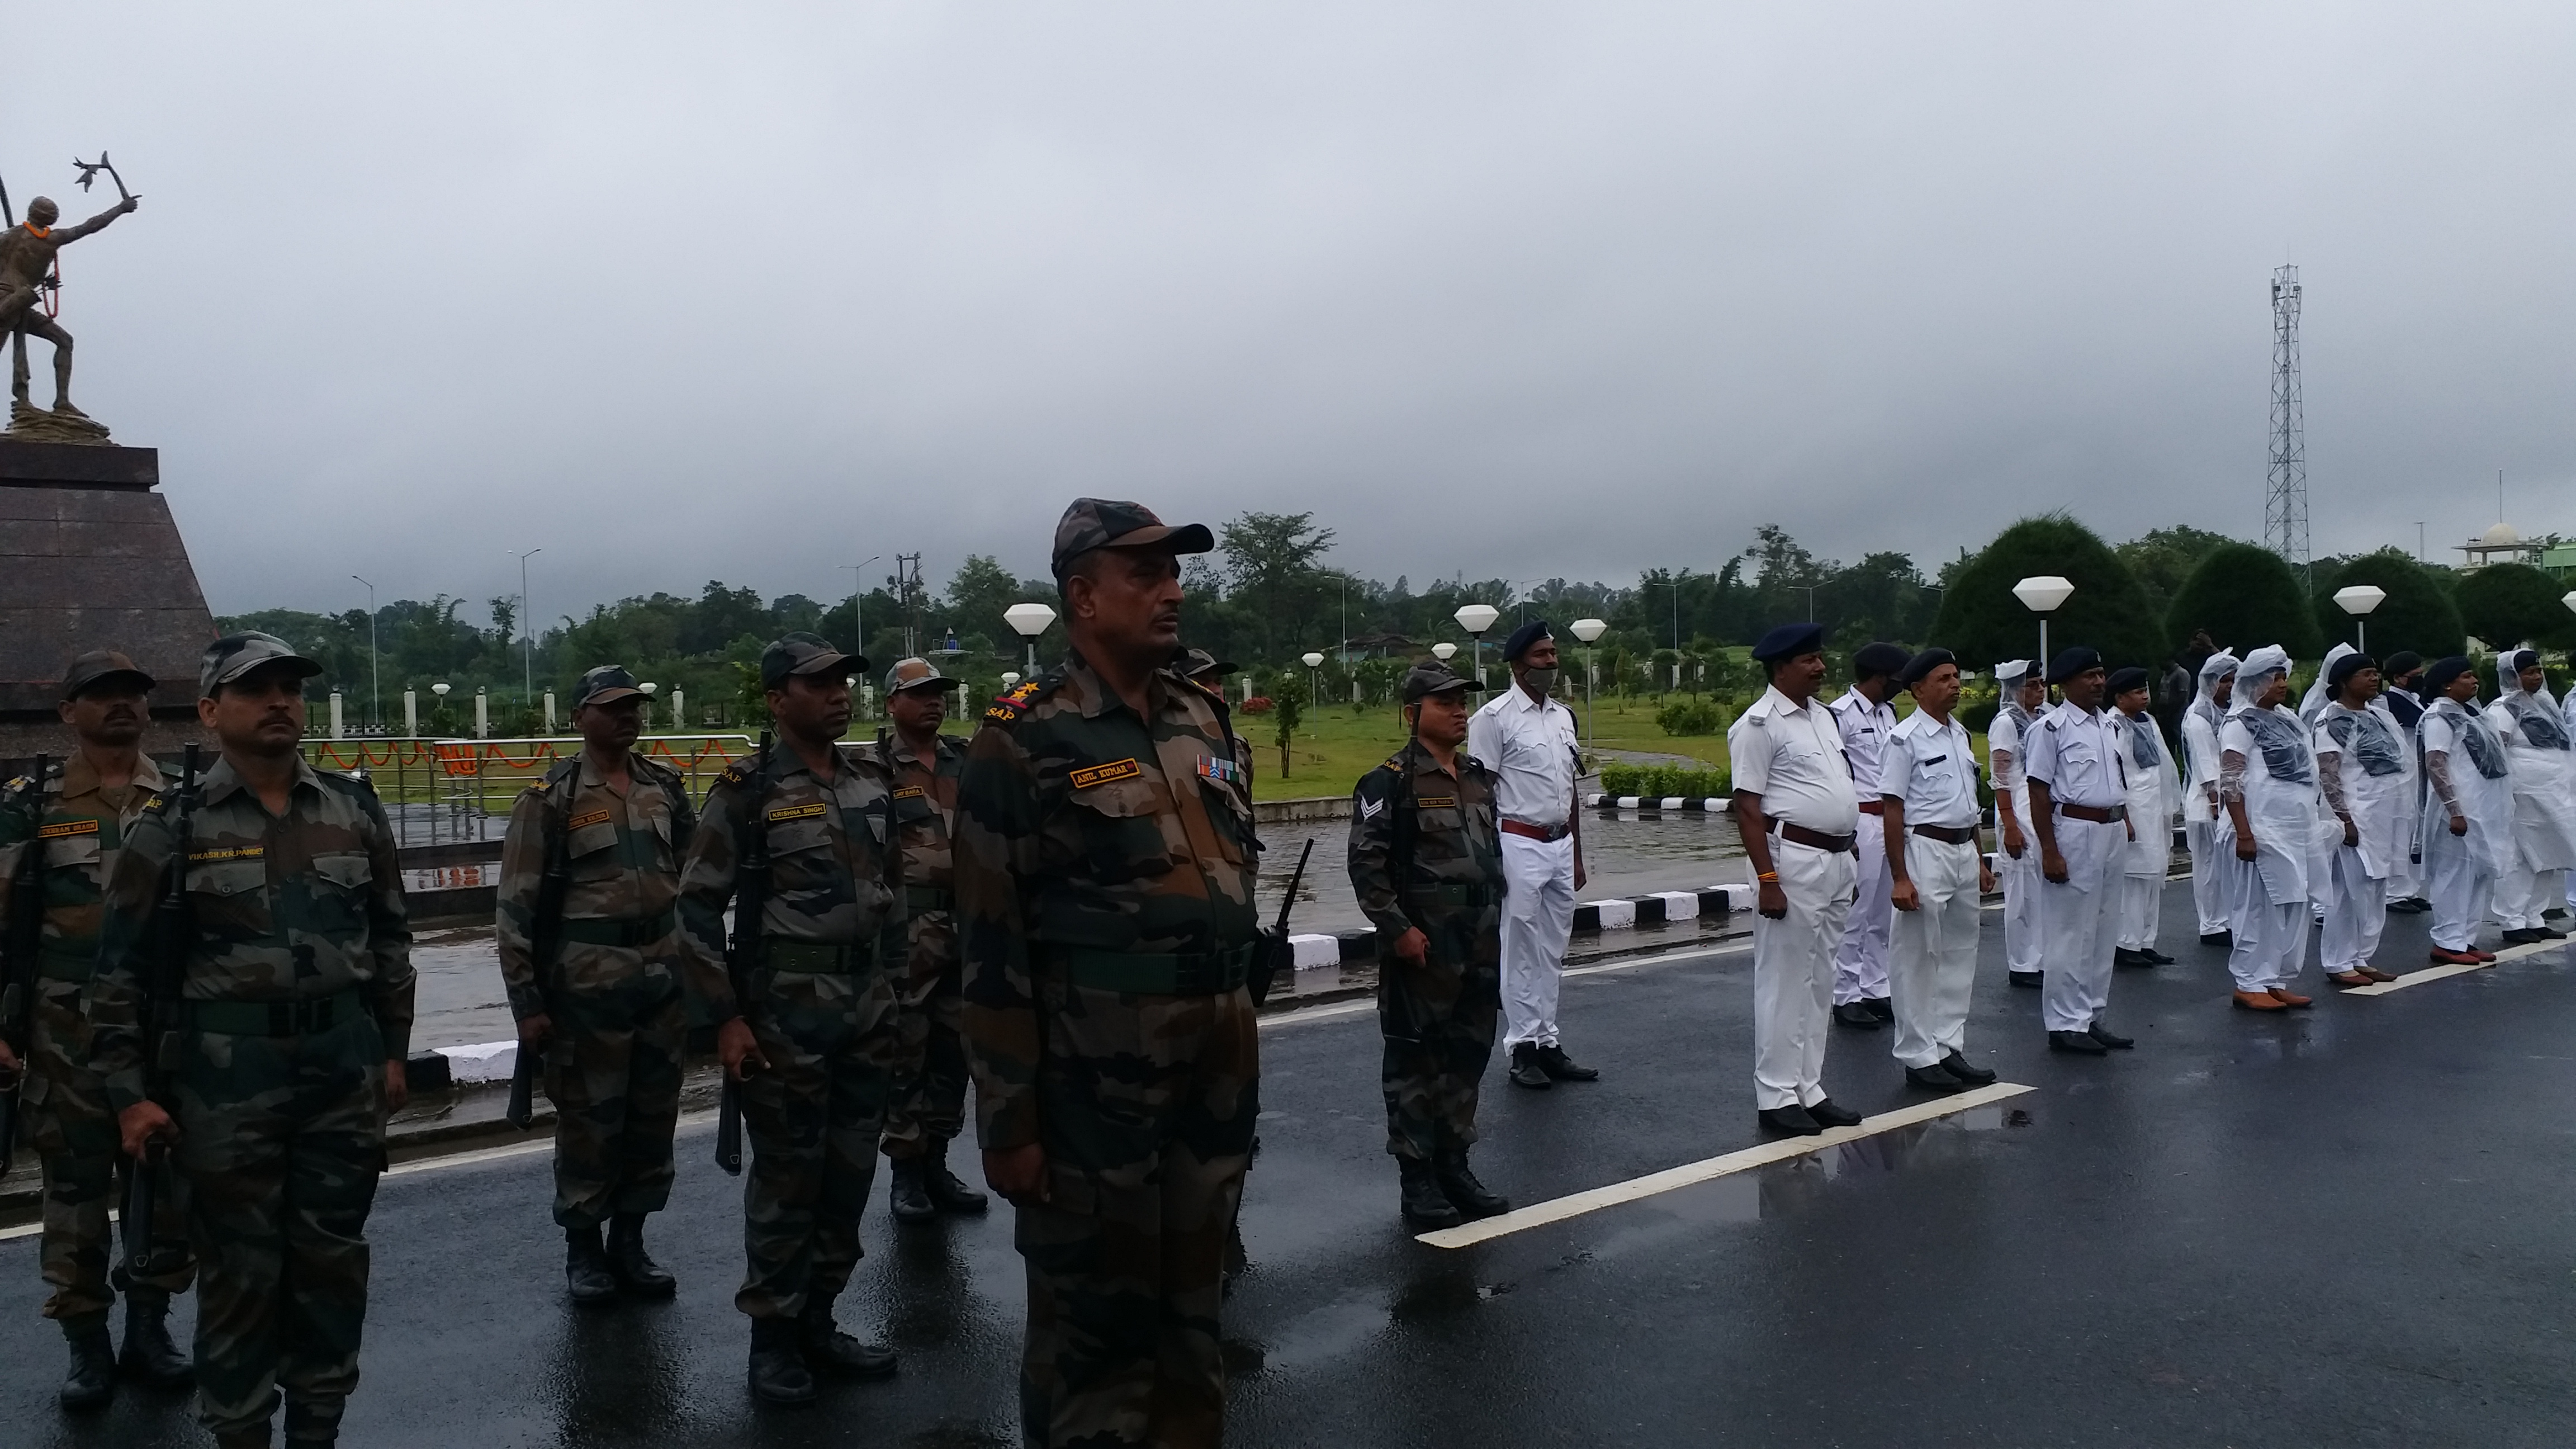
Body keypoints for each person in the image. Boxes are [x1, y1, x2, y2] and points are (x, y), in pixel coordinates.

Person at [953, 499, 1261, 1449]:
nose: (1171, 591)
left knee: (1193, 1318)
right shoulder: (1024, 738)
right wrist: (1008, 1124)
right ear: (1083, 595)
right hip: (1093, 1086)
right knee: (1096, 1335)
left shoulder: (1198, 716)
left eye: (1175, 571)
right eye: (1146, 572)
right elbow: (990, 945)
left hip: (1209, 1074)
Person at [89, 633, 415, 1449]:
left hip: (340, 1075)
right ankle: (240, 1432)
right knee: (240, 1276)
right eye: (256, 688)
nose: (280, 701)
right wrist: (130, 1098)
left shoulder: (352, 809)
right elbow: (117, 977)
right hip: (222, 1086)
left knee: (333, 1265)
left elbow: (389, 940)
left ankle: (317, 1430)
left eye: (290, 688)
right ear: (209, 710)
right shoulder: (171, 828)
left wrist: (392, 1051)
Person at [678, 632, 903, 1405]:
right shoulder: (745, 790)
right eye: (820, 683)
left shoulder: (871, 781)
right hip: (786, 1018)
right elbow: (696, 910)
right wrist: (727, 1020)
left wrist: (897, 988)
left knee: (850, 1175)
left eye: (844, 680)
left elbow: (892, 894)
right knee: (789, 1183)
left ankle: (820, 1320)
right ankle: (772, 1338)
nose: (841, 692)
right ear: (778, 701)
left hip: (868, 1011)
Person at [0, 652, 195, 1409]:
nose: (120, 706)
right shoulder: (30, 803)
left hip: (161, 1031)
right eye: (101, 696)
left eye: (132, 695)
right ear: (67, 712)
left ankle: (151, 1329)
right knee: (76, 1199)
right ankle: (86, 1346)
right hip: (63, 1034)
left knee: (163, 1188)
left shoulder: (183, 799)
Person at [495, 664, 697, 1304]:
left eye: (634, 705)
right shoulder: (549, 800)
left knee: (651, 1116)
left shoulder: (665, 787)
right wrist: (527, 1005)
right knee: (588, 1121)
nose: (627, 716)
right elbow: (515, 912)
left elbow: (694, 881)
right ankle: (584, 1248)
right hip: (586, 988)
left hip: (660, 982)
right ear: (581, 716)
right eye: (612, 707)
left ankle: (630, 1242)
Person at [1347, 661, 1510, 1228]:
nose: (1460, 709)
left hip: (1481, 940)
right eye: (1445, 702)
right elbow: (1367, 867)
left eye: (1463, 700)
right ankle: (1417, 1182)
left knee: (1467, 1057)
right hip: (1424, 944)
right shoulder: (1389, 780)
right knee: (1416, 1062)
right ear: (1413, 713)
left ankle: (1454, 1165)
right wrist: (1399, 930)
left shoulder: (1478, 776)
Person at [865, 656, 989, 1224]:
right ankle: (906, 1173)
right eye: (920, 694)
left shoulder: (967, 763)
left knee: (955, 1050)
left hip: (966, 926)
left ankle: (937, 1159)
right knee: (905, 1049)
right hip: (909, 929)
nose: (934, 702)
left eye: (940, 692)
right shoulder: (872, 771)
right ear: (893, 704)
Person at [1729, 623, 1864, 1136]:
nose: (1821, 667)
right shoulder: (1759, 725)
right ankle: (1776, 1093)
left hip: (1834, 860)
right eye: (1809, 660)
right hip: (1792, 861)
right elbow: (1747, 807)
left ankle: (1810, 1087)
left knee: (1821, 976)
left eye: (1820, 658)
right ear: (1781, 667)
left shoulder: (1824, 720)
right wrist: (1767, 878)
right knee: (1785, 980)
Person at [1467, 619, 1597, 1090]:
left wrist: (1578, 854)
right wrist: (1489, 859)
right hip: (1518, 842)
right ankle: (1522, 1047)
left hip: (1560, 844)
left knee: (1552, 949)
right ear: (1520, 664)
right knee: (1520, 947)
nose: (1552, 663)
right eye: (1543, 656)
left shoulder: (1564, 716)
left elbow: (1570, 790)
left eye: (1554, 655)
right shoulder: (1494, 719)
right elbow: (1480, 795)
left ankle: (1547, 1041)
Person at [1878, 648, 2000, 1095]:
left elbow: (1969, 805)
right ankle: (1918, 1054)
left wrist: (1981, 857)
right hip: (1924, 849)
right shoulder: (1904, 739)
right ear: (1918, 689)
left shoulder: (1960, 735)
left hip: (1962, 851)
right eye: (1944, 678)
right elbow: (1893, 809)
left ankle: (1948, 1045)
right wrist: (1900, 876)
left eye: (1956, 676)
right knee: (1917, 957)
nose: (1955, 684)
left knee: (1959, 955)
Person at [2023, 647, 2136, 1054]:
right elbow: (2037, 790)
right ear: (2065, 683)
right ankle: (2064, 1022)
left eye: (2101, 674)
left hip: (2110, 829)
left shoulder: (2109, 725)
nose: (2099, 682)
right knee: (2071, 930)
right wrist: (2049, 850)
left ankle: (2091, 1014)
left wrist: (2123, 818)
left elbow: (2114, 778)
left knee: (2104, 928)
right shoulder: (2051, 729)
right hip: (2074, 830)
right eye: (2089, 676)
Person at [2215, 647, 2325, 1011]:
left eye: (2282, 677)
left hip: (2296, 828)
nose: (2282, 684)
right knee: (2258, 907)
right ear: (2254, 682)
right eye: (2273, 679)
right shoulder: (2238, 723)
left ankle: (2276, 979)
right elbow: (2231, 779)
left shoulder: (2289, 719)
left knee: (2295, 903)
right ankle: (2250, 981)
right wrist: (2244, 832)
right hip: (2261, 830)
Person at [2313, 652, 2410, 986]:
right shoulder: (2332, 720)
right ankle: (2339, 961)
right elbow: (2329, 773)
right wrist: (2344, 819)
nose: (2374, 679)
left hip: (2385, 814)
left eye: (2375, 673)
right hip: (2357, 815)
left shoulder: (2378, 716)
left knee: (2375, 889)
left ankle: (2360, 956)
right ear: (2344, 681)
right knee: (2348, 891)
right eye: (2366, 673)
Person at [1828, 642, 1907, 1029]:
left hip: (1888, 818)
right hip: (1859, 819)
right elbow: (1836, 775)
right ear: (1879, 677)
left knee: (1883, 912)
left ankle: (1875, 987)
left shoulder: (1890, 714)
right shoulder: (1839, 716)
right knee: (1855, 912)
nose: (1901, 687)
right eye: (1897, 680)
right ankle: (1845, 994)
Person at [2417, 656, 2511, 965]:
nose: (2474, 682)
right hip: (2457, 810)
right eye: (2467, 676)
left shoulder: (2472, 713)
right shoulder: (2438, 716)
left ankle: (2466, 939)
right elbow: (2436, 762)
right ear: (2447, 684)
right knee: (2453, 875)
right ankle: (2447, 941)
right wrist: (2454, 809)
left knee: (2476, 875)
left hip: (2482, 808)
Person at [2484, 650, 2576, 944]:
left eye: (2539, 671)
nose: (2536, 677)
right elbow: (2496, 751)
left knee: (2549, 854)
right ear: (2513, 676)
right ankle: (2513, 920)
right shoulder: (2503, 708)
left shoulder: (2547, 703)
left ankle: (2535, 917)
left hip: (2555, 792)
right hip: (2524, 794)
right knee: (2520, 858)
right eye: (2529, 672)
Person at [2109, 666, 2182, 969]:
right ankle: (2125, 943)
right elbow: (2115, 774)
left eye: (2145, 691)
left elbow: (2163, 765)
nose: (2145, 697)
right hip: (2134, 809)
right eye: (2138, 692)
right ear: (2120, 697)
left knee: (2153, 876)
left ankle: (2145, 940)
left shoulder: (2147, 721)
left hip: (2154, 808)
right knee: (2133, 879)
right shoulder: (2113, 725)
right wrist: (2123, 817)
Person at [1987, 660, 2047, 989]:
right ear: (2013, 690)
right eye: (2032, 686)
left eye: (2041, 684)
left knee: (2042, 891)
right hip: (2018, 811)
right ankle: (2023, 963)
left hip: (2041, 810)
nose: (2040, 691)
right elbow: (2000, 778)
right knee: (2022, 892)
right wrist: (2010, 824)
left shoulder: (2042, 718)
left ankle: (2041, 957)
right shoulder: (2006, 723)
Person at [2178, 652, 2239, 946]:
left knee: (2224, 867)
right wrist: (2216, 800)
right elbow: (2206, 765)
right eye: (2224, 681)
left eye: (2232, 680)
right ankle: (2211, 923)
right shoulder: (2198, 718)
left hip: (2227, 799)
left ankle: (2224, 919)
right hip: (2207, 803)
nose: (2229, 686)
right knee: (2207, 867)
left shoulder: (2225, 713)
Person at [2378, 652, 2431, 913]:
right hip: (2401, 773)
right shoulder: (2386, 703)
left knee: (2412, 830)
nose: (2420, 679)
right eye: (2414, 675)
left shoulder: (2417, 701)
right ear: (2398, 678)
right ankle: (2393, 891)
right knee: (2399, 829)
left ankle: (2408, 889)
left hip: (2418, 771)